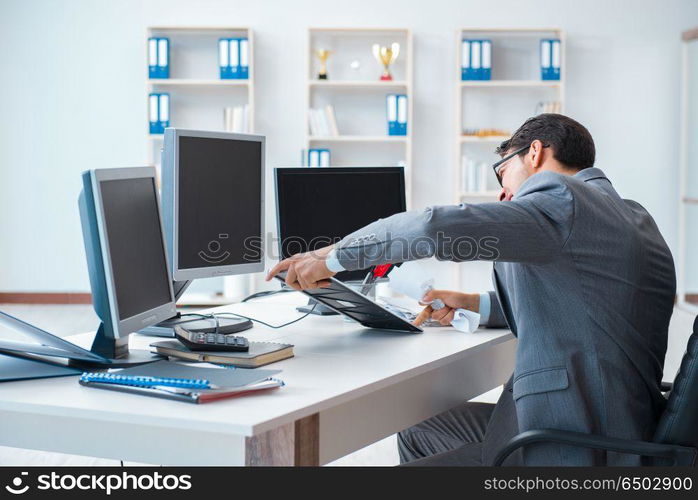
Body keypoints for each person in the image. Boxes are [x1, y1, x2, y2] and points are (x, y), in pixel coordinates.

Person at [266, 114, 676, 466]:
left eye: (502, 172)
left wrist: (330, 258)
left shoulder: (562, 198)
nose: (502, 191)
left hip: (568, 442)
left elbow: (432, 227)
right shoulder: (632, 215)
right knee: (418, 429)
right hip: (619, 426)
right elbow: (582, 306)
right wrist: (475, 304)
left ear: (534, 153)